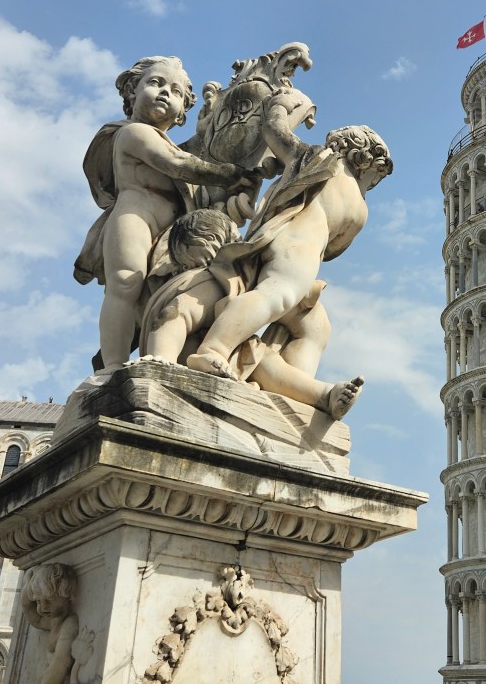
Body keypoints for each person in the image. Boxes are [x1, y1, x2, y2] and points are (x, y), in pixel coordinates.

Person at [184, 96, 393, 386]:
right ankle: (213, 349)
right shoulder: (353, 199)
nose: (374, 183)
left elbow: (275, 132)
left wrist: (281, 106)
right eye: (377, 176)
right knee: (275, 296)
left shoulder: (315, 159)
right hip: (299, 251)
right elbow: (335, 248)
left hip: (290, 247)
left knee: (315, 327)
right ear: (365, 159)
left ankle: (290, 389)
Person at [80, 56, 251, 369]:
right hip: (135, 216)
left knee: (158, 292)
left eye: (175, 91)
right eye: (155, 83)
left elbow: (188, 155)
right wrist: (232, 173)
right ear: (132, 91)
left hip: (170, 229)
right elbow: (180, 164)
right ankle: (112, 366)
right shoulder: (134, 133)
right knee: (125, 283)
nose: (164, 93)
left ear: (182, 110)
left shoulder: (170, 142)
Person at [139, 208, 363, 418]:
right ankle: (324, 395)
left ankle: (325, 395)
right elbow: (174, 315)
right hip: (198, 357)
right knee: (264, 360)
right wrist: (162, 358)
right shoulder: (206, 281)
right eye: (238, 240)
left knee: (265, 356)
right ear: (211, 244)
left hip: (228, 357)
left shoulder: (226, 282)